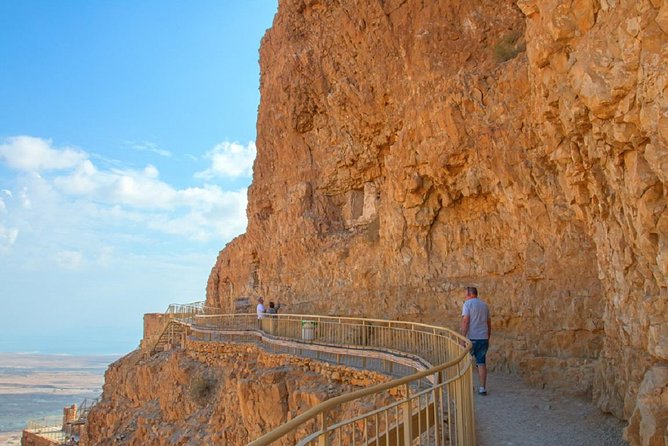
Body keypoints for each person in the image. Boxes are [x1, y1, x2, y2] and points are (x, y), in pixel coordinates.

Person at [461, 286, 491, 395]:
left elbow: (466, 321)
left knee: (466, 362)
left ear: (470, 294)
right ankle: (482, 388)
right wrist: (488, 336)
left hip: (471, 339)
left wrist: (462, 338)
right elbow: (488, 323)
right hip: (483, 338)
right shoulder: (484, 305)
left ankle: (469, 387)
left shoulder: (467, 304)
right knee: (481, 362)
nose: (465, 296)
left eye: (466, 294)